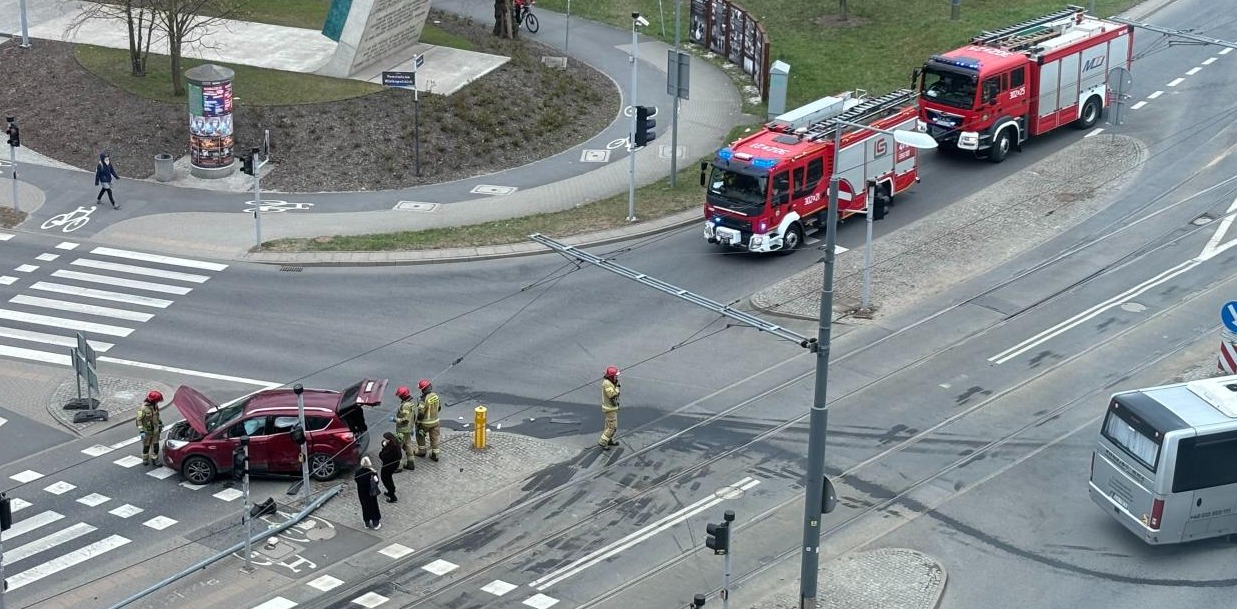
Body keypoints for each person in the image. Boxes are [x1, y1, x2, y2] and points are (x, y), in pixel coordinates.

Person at [414, 379, 441, 462]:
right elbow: (439, 407)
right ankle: (435, 454)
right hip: (435, 421)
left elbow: (421, 413)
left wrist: (418, 422)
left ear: (422, 389)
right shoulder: (435, 396)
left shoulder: (423, 400)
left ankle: (421, 451)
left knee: (420, 435)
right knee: (434, 438)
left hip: (425, 423)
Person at [136, 390, 164, 466]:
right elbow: (138, 420)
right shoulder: (143, 409)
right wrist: (141, 431)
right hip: (147, 432)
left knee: (156, 447)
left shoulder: (155, 406)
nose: (157, 403)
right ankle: (145, 458)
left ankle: (154, 459)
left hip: (155, 431)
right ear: (153, 401)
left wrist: (160, 422)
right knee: (146, 446)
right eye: (157, 401)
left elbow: (157, 416)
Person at [393, 386, 417, 470]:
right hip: (408, 429)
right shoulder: (411, 403)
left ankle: (398, 466)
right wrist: (412, 427)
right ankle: (411, 463)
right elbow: (413, 417)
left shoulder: (405, 406)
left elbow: (405, 420)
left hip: (402, 430)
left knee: (397, 448)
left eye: (399, 395)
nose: (398, 396)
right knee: (408, 446)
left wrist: (395, 419)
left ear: (402, 395)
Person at [354, 456, 382, 529]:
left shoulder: (358, 472)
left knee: (365, 507)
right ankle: (375, 523)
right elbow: (377, 482)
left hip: (362, 493)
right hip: (371, 493)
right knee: (373, 507)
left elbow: (356, 480)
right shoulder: (372, 473)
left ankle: (366, 523)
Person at [598, 366, 621, 450]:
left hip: (611, 408)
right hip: (610, 409)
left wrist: (616, 384)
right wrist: (617, 387)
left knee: (609, 426)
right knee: (612, 427)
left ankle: (609, 440)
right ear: (611, 376)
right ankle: (603, 442)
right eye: (615, 376)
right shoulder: (607, 383)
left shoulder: (610, 382)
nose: (617, 377)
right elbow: (612, 395)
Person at [378, 431, 401, 503]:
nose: (385, 440)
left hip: (389, 466)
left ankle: (392, 496)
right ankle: (391, 491)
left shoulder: (392, 448)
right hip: (393, 465)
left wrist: (382, 451)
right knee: (388, 478)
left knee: (386, 479)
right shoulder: (394, 443)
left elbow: (383, 456)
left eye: (386, 439)